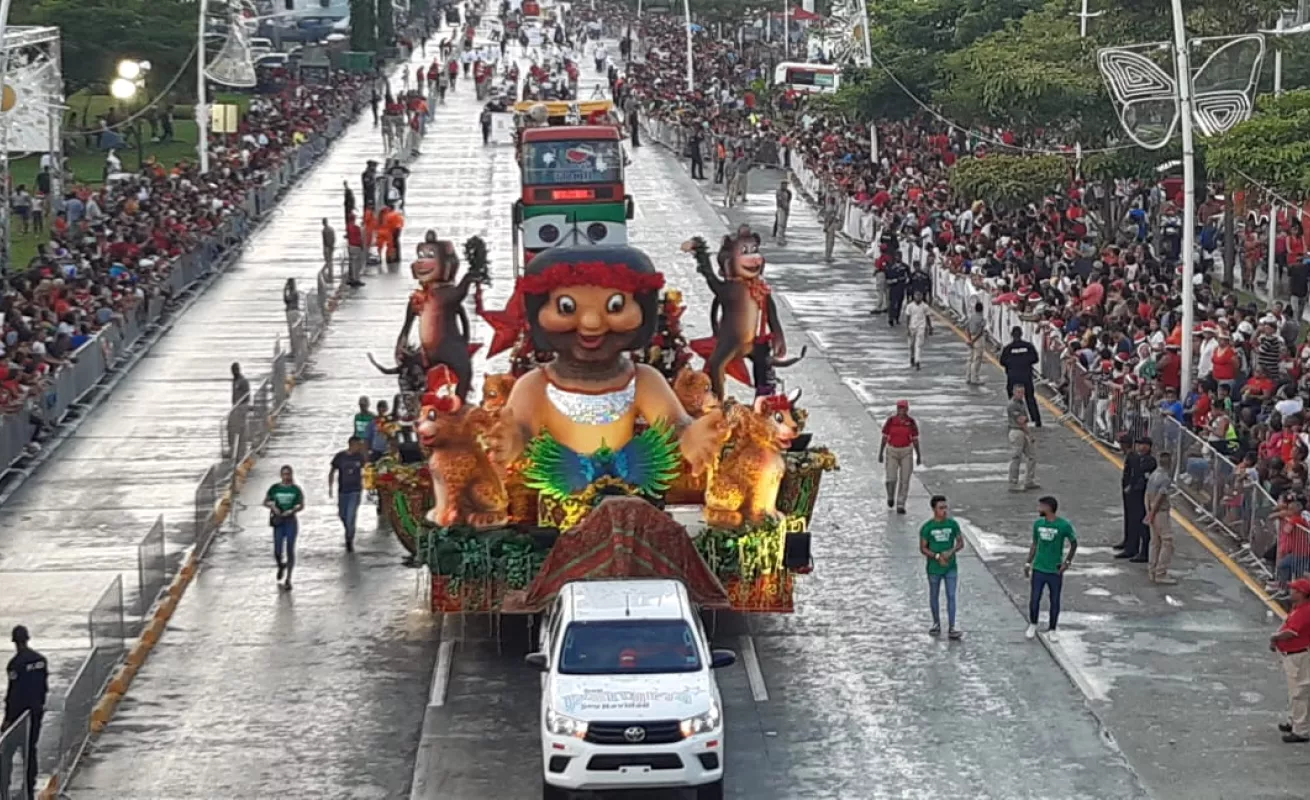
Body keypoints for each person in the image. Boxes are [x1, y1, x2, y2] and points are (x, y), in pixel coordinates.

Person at [3, 625, 48, 797]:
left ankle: (4, 786)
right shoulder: (41, 660)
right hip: (35, 712)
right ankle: (30, 786)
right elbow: (44, 687)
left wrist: (7, 719)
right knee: (30, 749)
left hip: (18, 716)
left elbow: (13, 693)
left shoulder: (15, 664)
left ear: (15, 642)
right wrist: (40, 706)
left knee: (7, 750)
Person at [1024, 495, 1077, 641]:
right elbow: (1034, 544)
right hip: (1039, 568)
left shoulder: (1063, 525)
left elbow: (1074, 543)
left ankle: (1052, 628)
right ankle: (1033, 624)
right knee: (1034, 598)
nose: (1038, 509)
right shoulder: (1038, 524)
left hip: (1055, 569)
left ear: (1048, 508)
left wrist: (1067, 562)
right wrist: (1028, 562)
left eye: (1041, 506)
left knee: (1055, 600)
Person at [919, 495, 964, 640]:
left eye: (945, 507)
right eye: (941, 508)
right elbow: (923, 548)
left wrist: (950, 552)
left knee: (951, 595)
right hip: (934, 567)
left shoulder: (952, 525)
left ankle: (952, 625)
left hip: (951, 566)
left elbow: (960, 543)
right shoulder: (927, 528)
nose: (944, 511)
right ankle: (936, 622)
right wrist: (937, 556)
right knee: (934, 595)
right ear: (934, 509)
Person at [1273, 577, 1310, 743]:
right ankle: (1295, 721)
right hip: (1293, 655)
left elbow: (1292, 632)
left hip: (1299, 656)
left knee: (1300, 693)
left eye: (1294, 589)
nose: (1290, 591)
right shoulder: (1298, 608)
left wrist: (1274, 637)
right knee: (1295, 691)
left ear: (1301, 593)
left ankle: (1301, 730)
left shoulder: (1304, 611)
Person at [264, 466, 305, 590]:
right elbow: (266, 501)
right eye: (284, 474)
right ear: (281, 475)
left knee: (290, 550)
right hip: (279, 522)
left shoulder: (296, 489)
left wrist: (293, 510)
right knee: (277, 550)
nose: (286, 477)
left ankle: (289, 579)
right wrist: (273, 507)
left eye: (288, 474)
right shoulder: (274, 488)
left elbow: (301, 505)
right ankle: (281, 565)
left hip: (290, 521)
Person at [878, 399, 921, 514]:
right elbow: (884, 437)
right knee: (891, 478)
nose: (901, 411)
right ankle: (891, 495)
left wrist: (918, 455)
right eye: (899, 408)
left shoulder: (911, 422)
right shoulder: (891, 421)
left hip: (906, 451)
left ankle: (901, 503)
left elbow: (915, 439)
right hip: (892, 450)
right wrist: (881, 453)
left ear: (907, 410)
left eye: (904, 408)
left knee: (905, 479)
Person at [1117, 437, 1156, 564]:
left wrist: (1132, 486)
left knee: (1141, 523)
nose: (1141, 447)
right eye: (1140, 444)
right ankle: (1130, 545)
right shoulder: (1136, 458)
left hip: (1142, 495)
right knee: (1131, 520)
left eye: (1144, 445)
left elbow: (1141, 476)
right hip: (1133, 493)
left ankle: (1140, 550)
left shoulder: (1149, 461)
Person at [329, 437, 367, 552]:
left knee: (351, 516)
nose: (359, 447)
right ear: (351, 444)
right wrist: (330, 487)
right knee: (342, 514)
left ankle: (349, 538)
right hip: (343, 491)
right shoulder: (340, 457)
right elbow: (332, 471)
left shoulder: (360, 457)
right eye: (357, 445)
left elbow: (368, 469)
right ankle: (348, 529)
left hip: (355, 491)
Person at [999, 325, 1041, 426]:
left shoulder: (1008, 348)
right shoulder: (1028, 346)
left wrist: (1012, 364)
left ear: (1012, 335)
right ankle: (1036, 420)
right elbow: (1035, 359)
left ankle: (1015, 421)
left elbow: (1002, 361)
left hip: (1013, 377)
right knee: (1030, 398)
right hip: (1026, 376)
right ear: (1021, 334)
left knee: (1013, 400)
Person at [1145, 450, 1176, 584]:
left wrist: (1148, 511)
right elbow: (1160, 497)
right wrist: (1152, 514)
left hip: (1151, 509)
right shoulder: (1165, 478)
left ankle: (1152, 570)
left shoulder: (1153, 475)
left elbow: (1147, 494)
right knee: (1166, 541)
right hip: (1160, 512)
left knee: (1154, 542)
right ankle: (1161, 573)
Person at [1007, 385, 1039, 491]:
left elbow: (1025, 419)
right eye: (1019, 392)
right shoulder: (1012, 405)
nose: (1021, 395)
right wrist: (1029, 434)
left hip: (1022, 431)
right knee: (1016, 457)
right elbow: (1021, 421)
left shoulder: (1021, 403)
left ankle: (1029, 480)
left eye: (1022, 392)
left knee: (1032, 456)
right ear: (1014, 392)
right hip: (1017, 431)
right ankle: (1013, 481)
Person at [904, 290, 932, 370]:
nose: (918, 297)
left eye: (920, 295)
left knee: (918, 345)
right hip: (912, 327)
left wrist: (929, 327)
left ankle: (917, 361)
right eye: (916, 295)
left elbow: (927, 317)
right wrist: (907, 329)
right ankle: (912, 356)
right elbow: (908, 318)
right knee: (911, 345)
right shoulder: (910, 306)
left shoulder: (925, 306)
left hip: (921, 327)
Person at [965, 301, 986, 385]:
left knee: (969, 359)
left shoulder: (971, 317)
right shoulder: (982, 319)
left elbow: (966, 328)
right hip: (978, 339)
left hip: (970, 337)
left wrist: (969, 339)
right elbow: (980, 332)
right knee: (977, 359)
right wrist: (973, 341)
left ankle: (968, 377)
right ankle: (975, 378)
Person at [884, 256, 909, 326]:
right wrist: (892, 281)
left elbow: (908, 277)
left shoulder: (905, 267)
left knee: (899, 304)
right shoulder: (890, 267)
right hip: (893, 288)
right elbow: (887, 278)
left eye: (899, 257)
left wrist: (906, 284)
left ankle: (897, 318)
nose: (898, 258)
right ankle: (891, 318)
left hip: (901, 287)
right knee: (892, 304)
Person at [773, 177, 792, 245]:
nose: (785, 186)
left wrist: (787, 209)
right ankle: (779, 239)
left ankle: (782, 238)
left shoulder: (788, 192)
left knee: (784, 224)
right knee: (780, 224)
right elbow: (780, 201)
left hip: (786, 209)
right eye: (784, 184)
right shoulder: (779, 192)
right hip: (781, 209)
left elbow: (788, 201)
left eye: (786, 184)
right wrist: (782, 207)